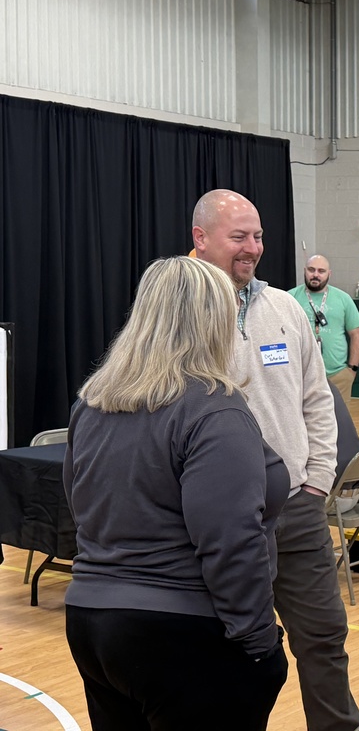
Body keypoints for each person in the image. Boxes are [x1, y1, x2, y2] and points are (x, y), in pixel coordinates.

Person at [63, 256, 289, 730]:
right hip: (184, 631)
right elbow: (230, 540)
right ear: (215, 321)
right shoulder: (213, 411)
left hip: (93, 623)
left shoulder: (93, 402)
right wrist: (259, 640)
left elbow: (79, 503)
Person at [193, 189, 359, 731]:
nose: (252, 248)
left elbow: (318, 398)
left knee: (324, 640)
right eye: (238, 236)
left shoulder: (285, 308)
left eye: (259, 236)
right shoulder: (182, 311)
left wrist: (316, 481)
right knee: (233, 652)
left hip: (296, 511)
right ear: (201, 238)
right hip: (224, 524)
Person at [289, 254, 359, 404]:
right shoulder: (290, 298)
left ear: (329, 274)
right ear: (305, 271)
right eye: (311, 270)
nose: (315, 274)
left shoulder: (343, 299)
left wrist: (352, 369)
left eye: (321, 271)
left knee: (339, 423)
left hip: (337, 375)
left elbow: (356, 334)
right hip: (301, 375)